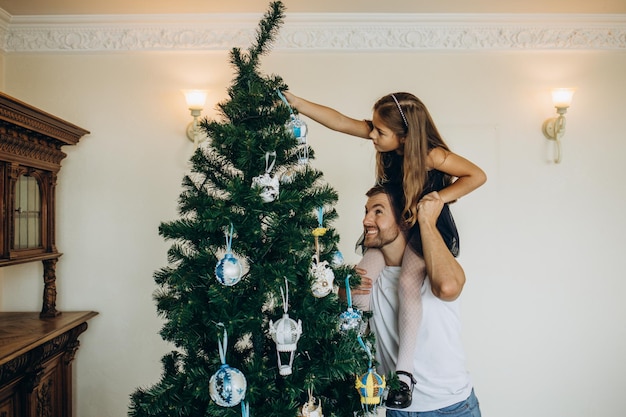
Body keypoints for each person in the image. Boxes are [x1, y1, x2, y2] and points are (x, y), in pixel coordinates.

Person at [283, 91, 486, 408]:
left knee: (408, 282)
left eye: (380, 131)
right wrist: (298, 104)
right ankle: (356, 363)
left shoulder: (432, 156)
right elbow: (340, 121)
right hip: (397, 230)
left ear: (404, 137)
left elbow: (477, 175)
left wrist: (439, 199)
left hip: (422, 231)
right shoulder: (388, 144)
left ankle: (404, 374)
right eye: (374, 129)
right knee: (358, 283)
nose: (372, 135)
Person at [354, 183, 481, 417]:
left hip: (450, 408)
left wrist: (427, 221)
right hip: (396, 408)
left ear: (404, 220)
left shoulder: (435, 271)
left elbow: (448, 286)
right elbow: (351, 311)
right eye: (366, 212)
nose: (366, 220)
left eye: (378, 211)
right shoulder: (373, 273)